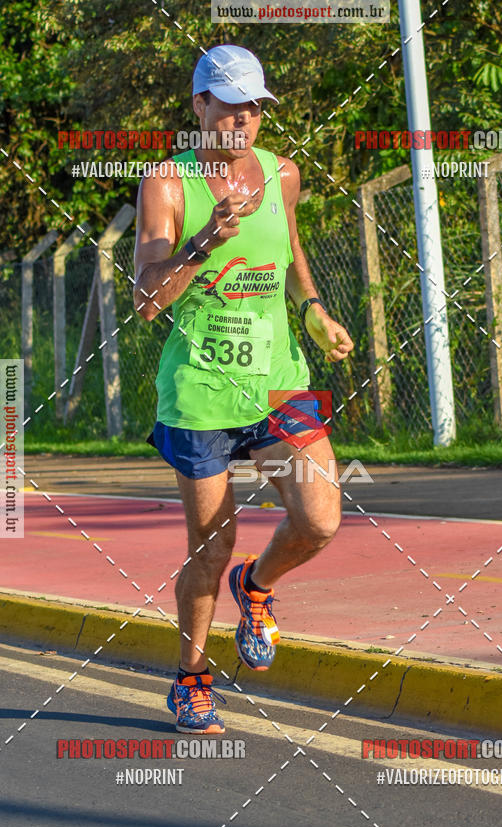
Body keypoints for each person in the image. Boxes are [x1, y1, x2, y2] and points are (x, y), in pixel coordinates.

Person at [133, 45, 354, 734]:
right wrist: (201, 242)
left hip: (276, 381)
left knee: (319, 519)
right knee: (212, 543)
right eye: (229, 109)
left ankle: (256, 589)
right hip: (201, 390)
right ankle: (192, 678)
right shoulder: (168, 185)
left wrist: (313, 307)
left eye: (254, 109)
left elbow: (290, 251)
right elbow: (146, 300)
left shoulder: (282, 173)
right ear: (199, 106)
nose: (243, 123)